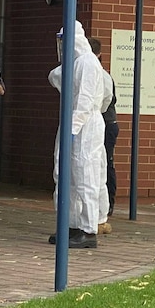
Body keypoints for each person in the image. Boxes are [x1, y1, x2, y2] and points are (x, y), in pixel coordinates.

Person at [47, 20, 106, 249]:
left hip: (86, 125)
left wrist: (73, 129)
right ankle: (70, 224)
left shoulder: (88, 63)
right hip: (72, 121)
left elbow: (85, 101)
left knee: (85, 175)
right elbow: (54, 76)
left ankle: (88, 228)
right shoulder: (75, 63)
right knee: (65, 175)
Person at [89, 37, 118, 225]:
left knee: (104, 163)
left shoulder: (102, 75)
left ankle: (108, 205)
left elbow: (106, 101)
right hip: (104, 121)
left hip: (106, 123)